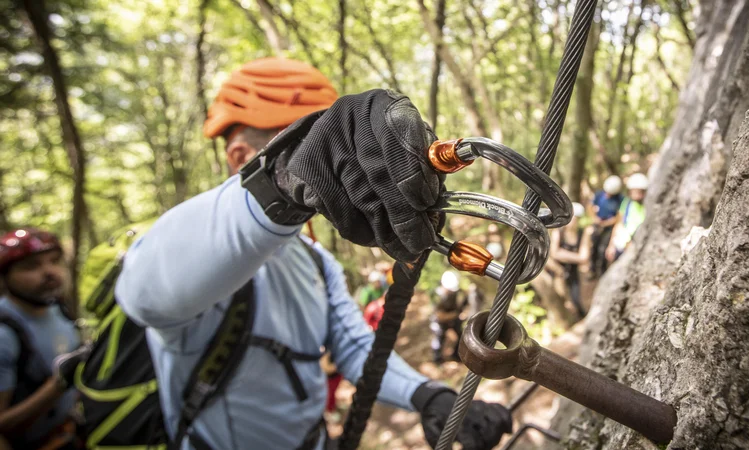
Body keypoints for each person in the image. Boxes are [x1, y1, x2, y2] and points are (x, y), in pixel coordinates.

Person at [115, 58, 511, 450]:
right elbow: (144, 296)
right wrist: (279, 183)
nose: (325, 157)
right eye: (297, 139)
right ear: (240, 158)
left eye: (320, 138)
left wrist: (426, 396)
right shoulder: (192, 249)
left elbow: (355, 348)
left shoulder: (317, 263)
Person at [0, 229, 87, 450]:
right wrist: (57, 385)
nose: (49, 271)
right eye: (31, 266)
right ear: (5, 276)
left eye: (55, 261)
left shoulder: (59, 308)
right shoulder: (5, 334)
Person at [548, 203, 592, 318]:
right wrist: (574, 257)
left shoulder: (582, 233)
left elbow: (584, 257)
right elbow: (554, 253)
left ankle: (580, 317)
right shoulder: (559, 232)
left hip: (573, 271)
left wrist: (562, 254)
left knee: (576, 298)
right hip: (558, 271)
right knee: (563, 298)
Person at [607, 173, 648, 263]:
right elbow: (619, 223)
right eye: (634, 191)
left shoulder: (647, 205)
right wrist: (611, 245)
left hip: (636, 246)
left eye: (640, 192)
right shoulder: (627, 203)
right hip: (621, 244)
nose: (637, 195)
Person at [430, 271, 467, 364]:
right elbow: (440, 316)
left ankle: (456, 355)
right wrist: (455, 315)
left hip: (454, 319)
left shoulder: (457, 293)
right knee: (439, 339)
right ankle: (437, 358)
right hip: (440, 322)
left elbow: (464, 302)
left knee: (461, 336)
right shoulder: (437, 296)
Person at [590, 175, 624, 277]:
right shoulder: (599, 195)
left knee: (603, 249)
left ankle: (603, 272)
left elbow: (619, 216)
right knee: (594, 247)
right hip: (598, 224)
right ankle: (592, 270)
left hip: (609, 227)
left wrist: (607, 223)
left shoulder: (620, 199)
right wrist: (595, 218)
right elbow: (590, 206)